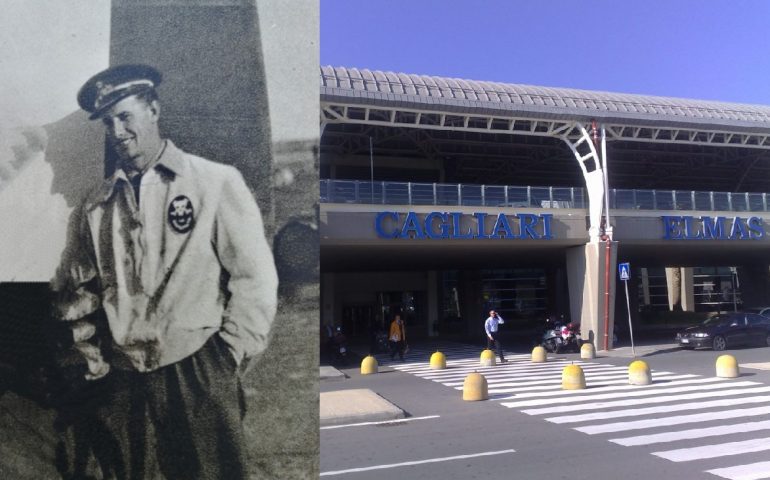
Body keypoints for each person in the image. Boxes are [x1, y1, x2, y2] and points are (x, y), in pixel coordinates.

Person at [52, 64, 278, 479]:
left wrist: (228, 355)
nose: (118, 131)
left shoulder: (213, 181)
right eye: (108, 123)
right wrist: (94, 360)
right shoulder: (96, 205)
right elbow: (79, 293)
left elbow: (254, 276)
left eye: (125, 116)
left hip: (197, 365)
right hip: (125, 375)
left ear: (152, 109)